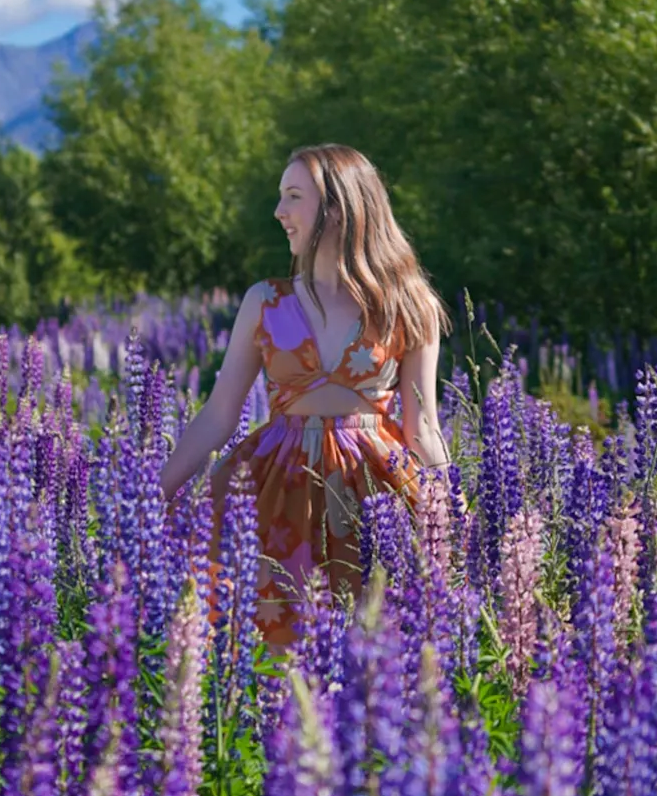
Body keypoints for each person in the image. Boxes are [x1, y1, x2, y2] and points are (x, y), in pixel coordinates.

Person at [159, 143, 453, 650]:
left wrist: (450, 512)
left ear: (338, 207)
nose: (279, 212)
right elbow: (219, 413)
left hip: (373, 493)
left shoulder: (409, 304)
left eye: (293, 196)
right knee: (266, 643)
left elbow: (422, 426)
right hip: (275, 487)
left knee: (378, 643)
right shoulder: (266, 301)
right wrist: (155, 492)